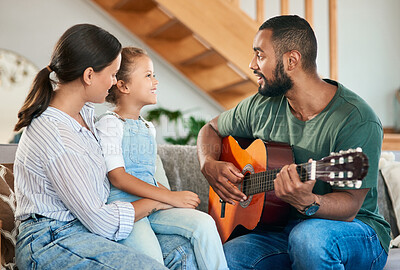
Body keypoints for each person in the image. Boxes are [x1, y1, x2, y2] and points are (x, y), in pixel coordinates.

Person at [197, 15, 391, 270]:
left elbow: (350, 207)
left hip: (355, 231)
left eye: (260, 55)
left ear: (291, 60)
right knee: (227, 257)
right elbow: (210, 128)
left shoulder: (356, 118)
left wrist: (308, 202)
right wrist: (208, 163)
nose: (252, 64)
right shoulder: (261, 106)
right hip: (282, 228)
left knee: (309, 239)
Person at [13, 23, 197, 270]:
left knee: (182, 252)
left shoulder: (85, 114)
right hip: (52, 240)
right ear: (89, 75)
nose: (114, 83)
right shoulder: (57, 136)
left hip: (82, 227)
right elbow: (101, 222)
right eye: (112, 74)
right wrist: (157, 200)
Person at [95, 47, 228, 270]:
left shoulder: (148, 127)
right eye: (148, 75)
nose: (155, 81)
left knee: (204, 223)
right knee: (152, 261)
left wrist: (167, 200)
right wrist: (170, 197)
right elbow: (118, 177)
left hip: (152, 206)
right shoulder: (109, 124)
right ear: (123, 85)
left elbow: (145, 174)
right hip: (128, 212)